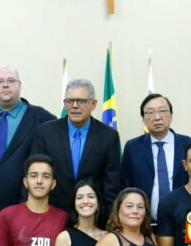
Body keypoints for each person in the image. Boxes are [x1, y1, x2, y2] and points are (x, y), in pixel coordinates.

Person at [0, 66, 55, 227]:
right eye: (0, 81)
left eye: (11, 81)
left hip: (22, 206)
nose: (5, 85)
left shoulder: (43, 119)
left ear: (20, 85)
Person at [30, 78, 122, 212]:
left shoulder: (108, 136)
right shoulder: (45, 133)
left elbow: (112, 184)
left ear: (94, 104)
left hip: (93, 216)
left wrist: (110, 222)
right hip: (52, 213)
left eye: (81, 101)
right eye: (69, 101)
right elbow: (34, 175)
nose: (74, 105)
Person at [120, 93, 191, 219]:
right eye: (150, 113)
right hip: (144, 221)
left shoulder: (188, 145)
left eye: (162, 111)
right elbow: (126, 186)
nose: (157, 117)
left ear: (171, 115)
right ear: (143, 119)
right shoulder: (133, 147)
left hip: (184, 218)